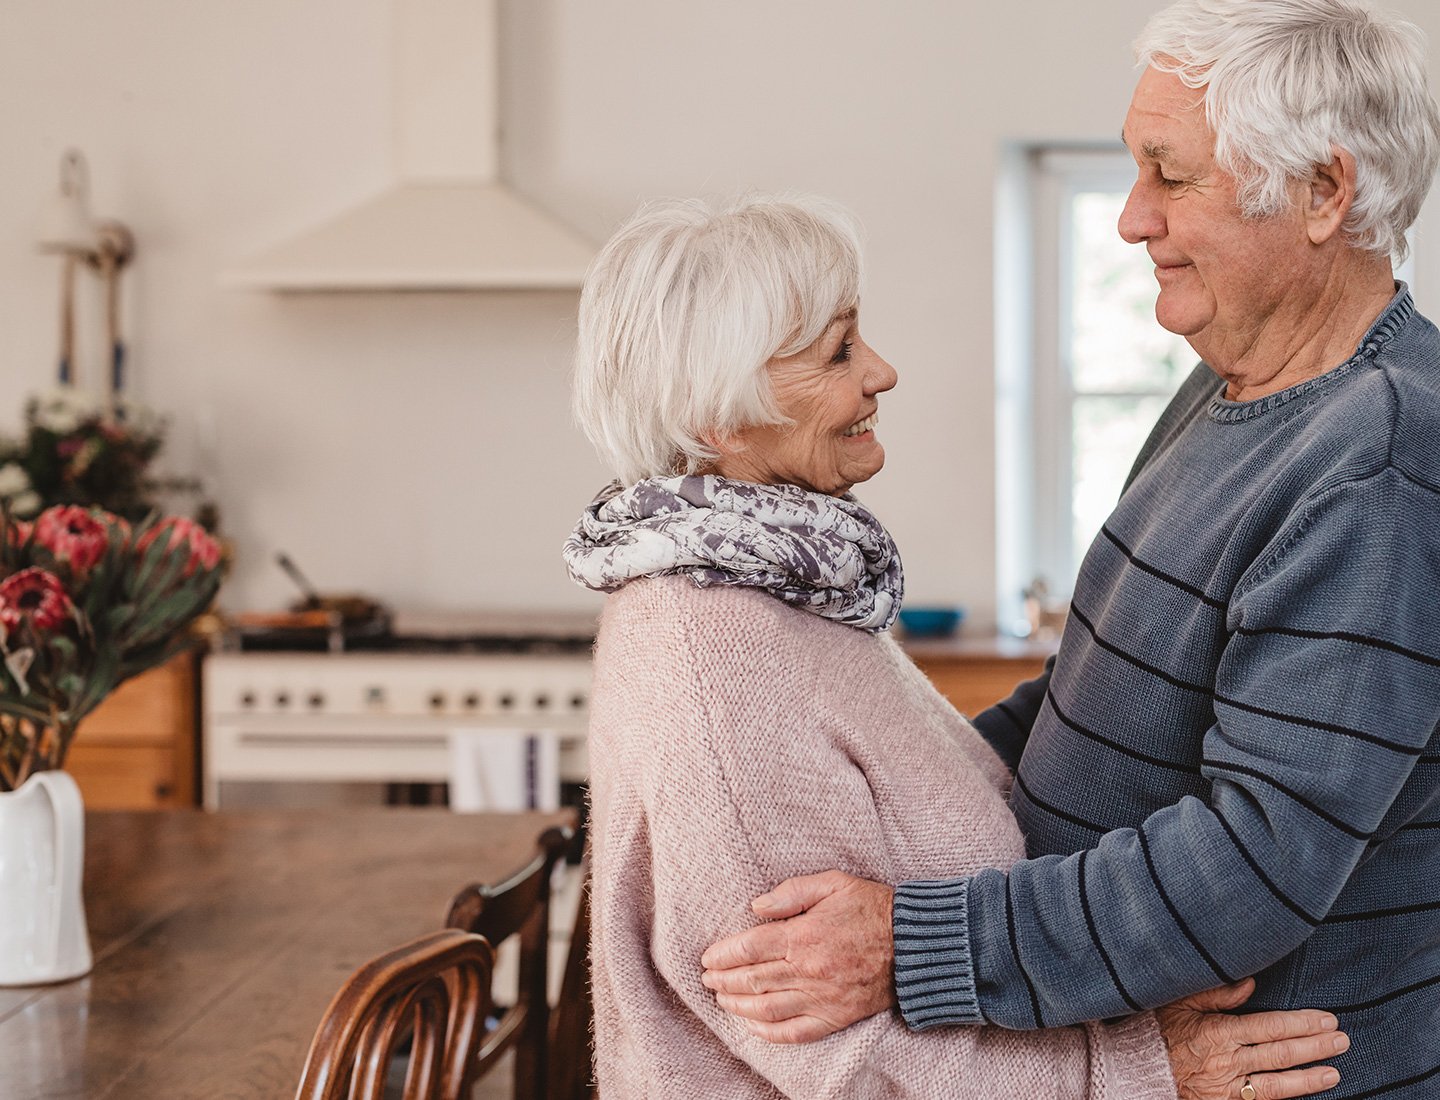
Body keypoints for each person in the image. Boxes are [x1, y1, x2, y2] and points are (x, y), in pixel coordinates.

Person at [699, 3, 1440, 1098]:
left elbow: (1251, 860)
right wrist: (891, 786)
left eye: (1170, 174)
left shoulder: (1375, 459)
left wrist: (908, 944)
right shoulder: (1234, 388)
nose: (1133, 218)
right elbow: (1098, 689)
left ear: (1327, 193)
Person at [565, 194, 1347, 1098]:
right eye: (838, 351)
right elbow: (826, 1059)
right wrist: (1131, 1072)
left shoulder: (783, 588)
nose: (882, 372)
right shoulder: (709, 653)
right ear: (721, 419)